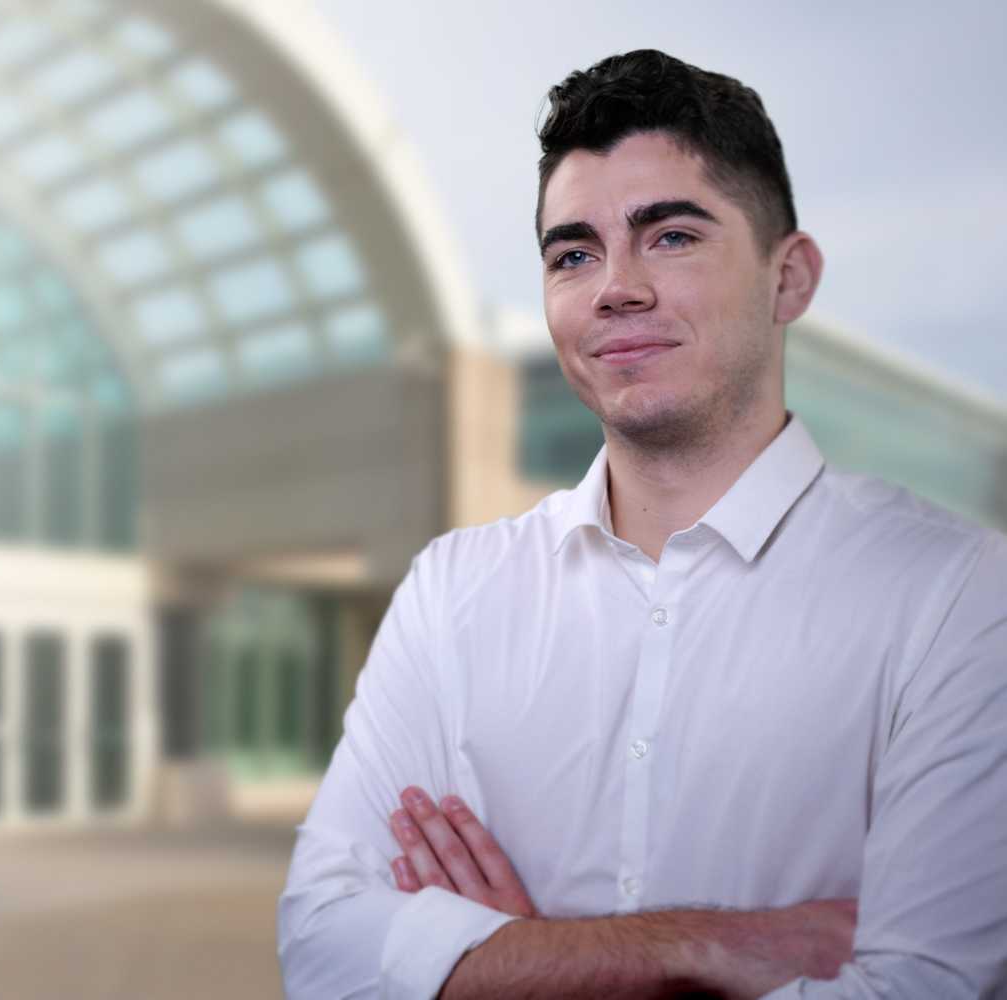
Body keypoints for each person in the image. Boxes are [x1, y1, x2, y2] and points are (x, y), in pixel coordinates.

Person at [277, 49, 1007, 999]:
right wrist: (698, 948)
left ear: (790, 280)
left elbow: (928, 988)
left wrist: (510, 960)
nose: (615, 286)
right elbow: (325, 950)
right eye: (573, 254)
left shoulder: (956, 598)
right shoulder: (454, 591)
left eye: (670, 237)